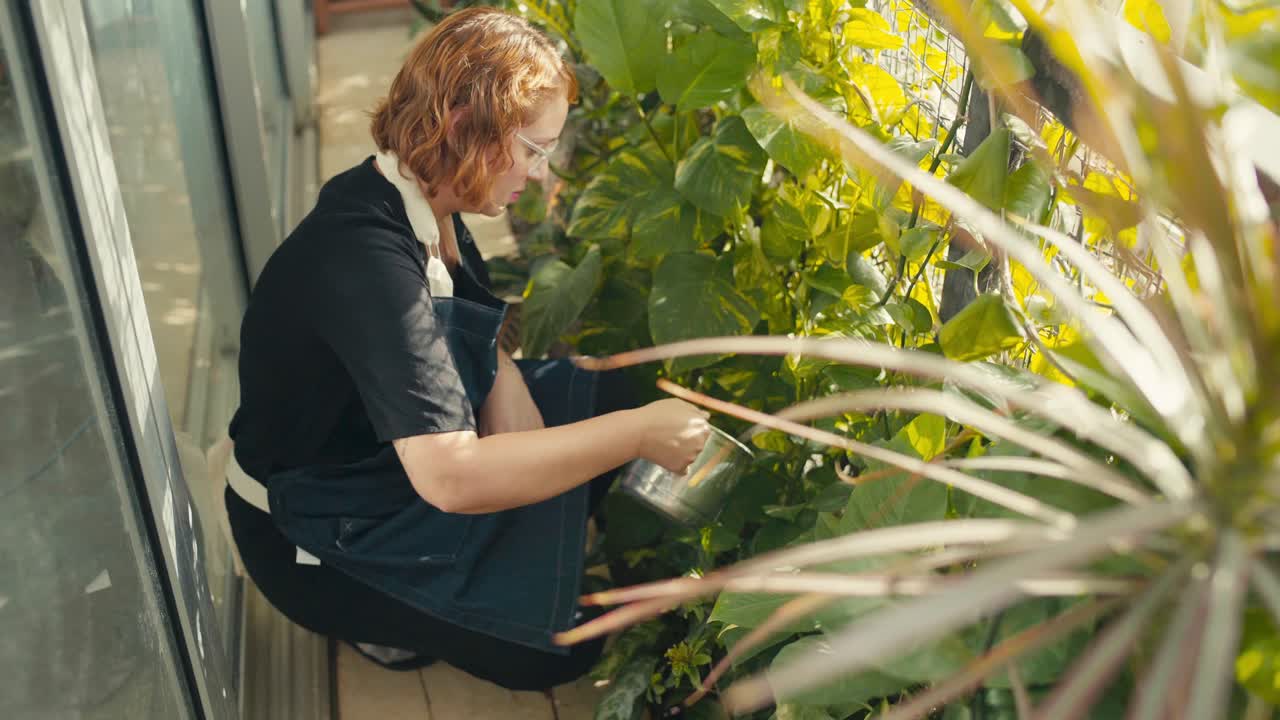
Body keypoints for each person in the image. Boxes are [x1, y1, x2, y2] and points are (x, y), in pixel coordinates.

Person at [223, 7, 710, 691]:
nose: (541, 175)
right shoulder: (366, 263)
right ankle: (378, 617)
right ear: (463, 129)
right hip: (325, 527)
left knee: (627, 390)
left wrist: (515, 396)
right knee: (562, 647)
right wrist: (631, 438)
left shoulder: (419, 192)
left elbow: (477, 346)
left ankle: (527, 564)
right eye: (535, 150)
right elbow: (452, 478)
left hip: (393, 457)